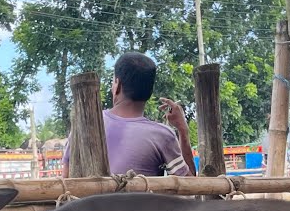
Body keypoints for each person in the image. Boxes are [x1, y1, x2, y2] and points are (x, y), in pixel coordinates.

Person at [62, 51, 196, 178]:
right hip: (141, 203)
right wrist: (183, 131)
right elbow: (190, 187)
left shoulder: (84, 125)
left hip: (85, 202)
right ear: (150, 92)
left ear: (118, 85)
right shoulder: (162, 135)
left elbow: (66, 178)